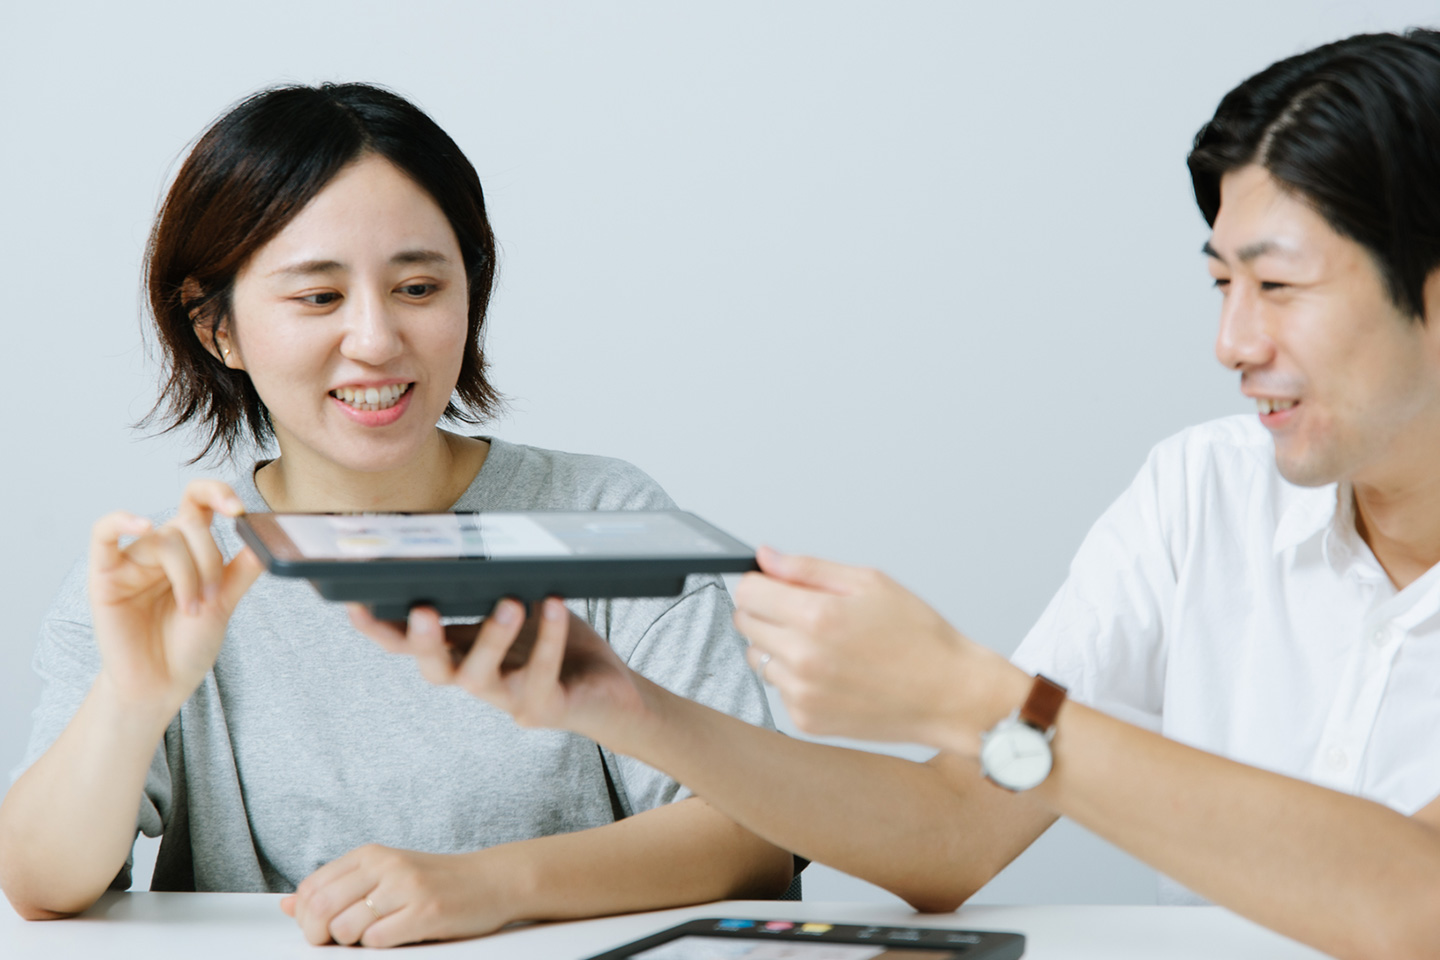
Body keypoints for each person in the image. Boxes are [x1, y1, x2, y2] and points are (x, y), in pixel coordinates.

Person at [351, 29, 1440, 960]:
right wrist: (632, 711)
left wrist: (971, 693)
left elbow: (1417, 901)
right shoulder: (1203, 493)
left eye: (1280, 286)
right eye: (1221, 283)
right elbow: (957, 831)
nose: (1232, 342)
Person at [0, 83, 794, 947]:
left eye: (418, 286)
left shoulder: (602, 517)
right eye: (318, 298)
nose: (377, 339)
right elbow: (43, 884)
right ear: (214, 325)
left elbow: (755, 837)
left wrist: (489, 886)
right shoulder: (170, 573)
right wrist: (133, 696)